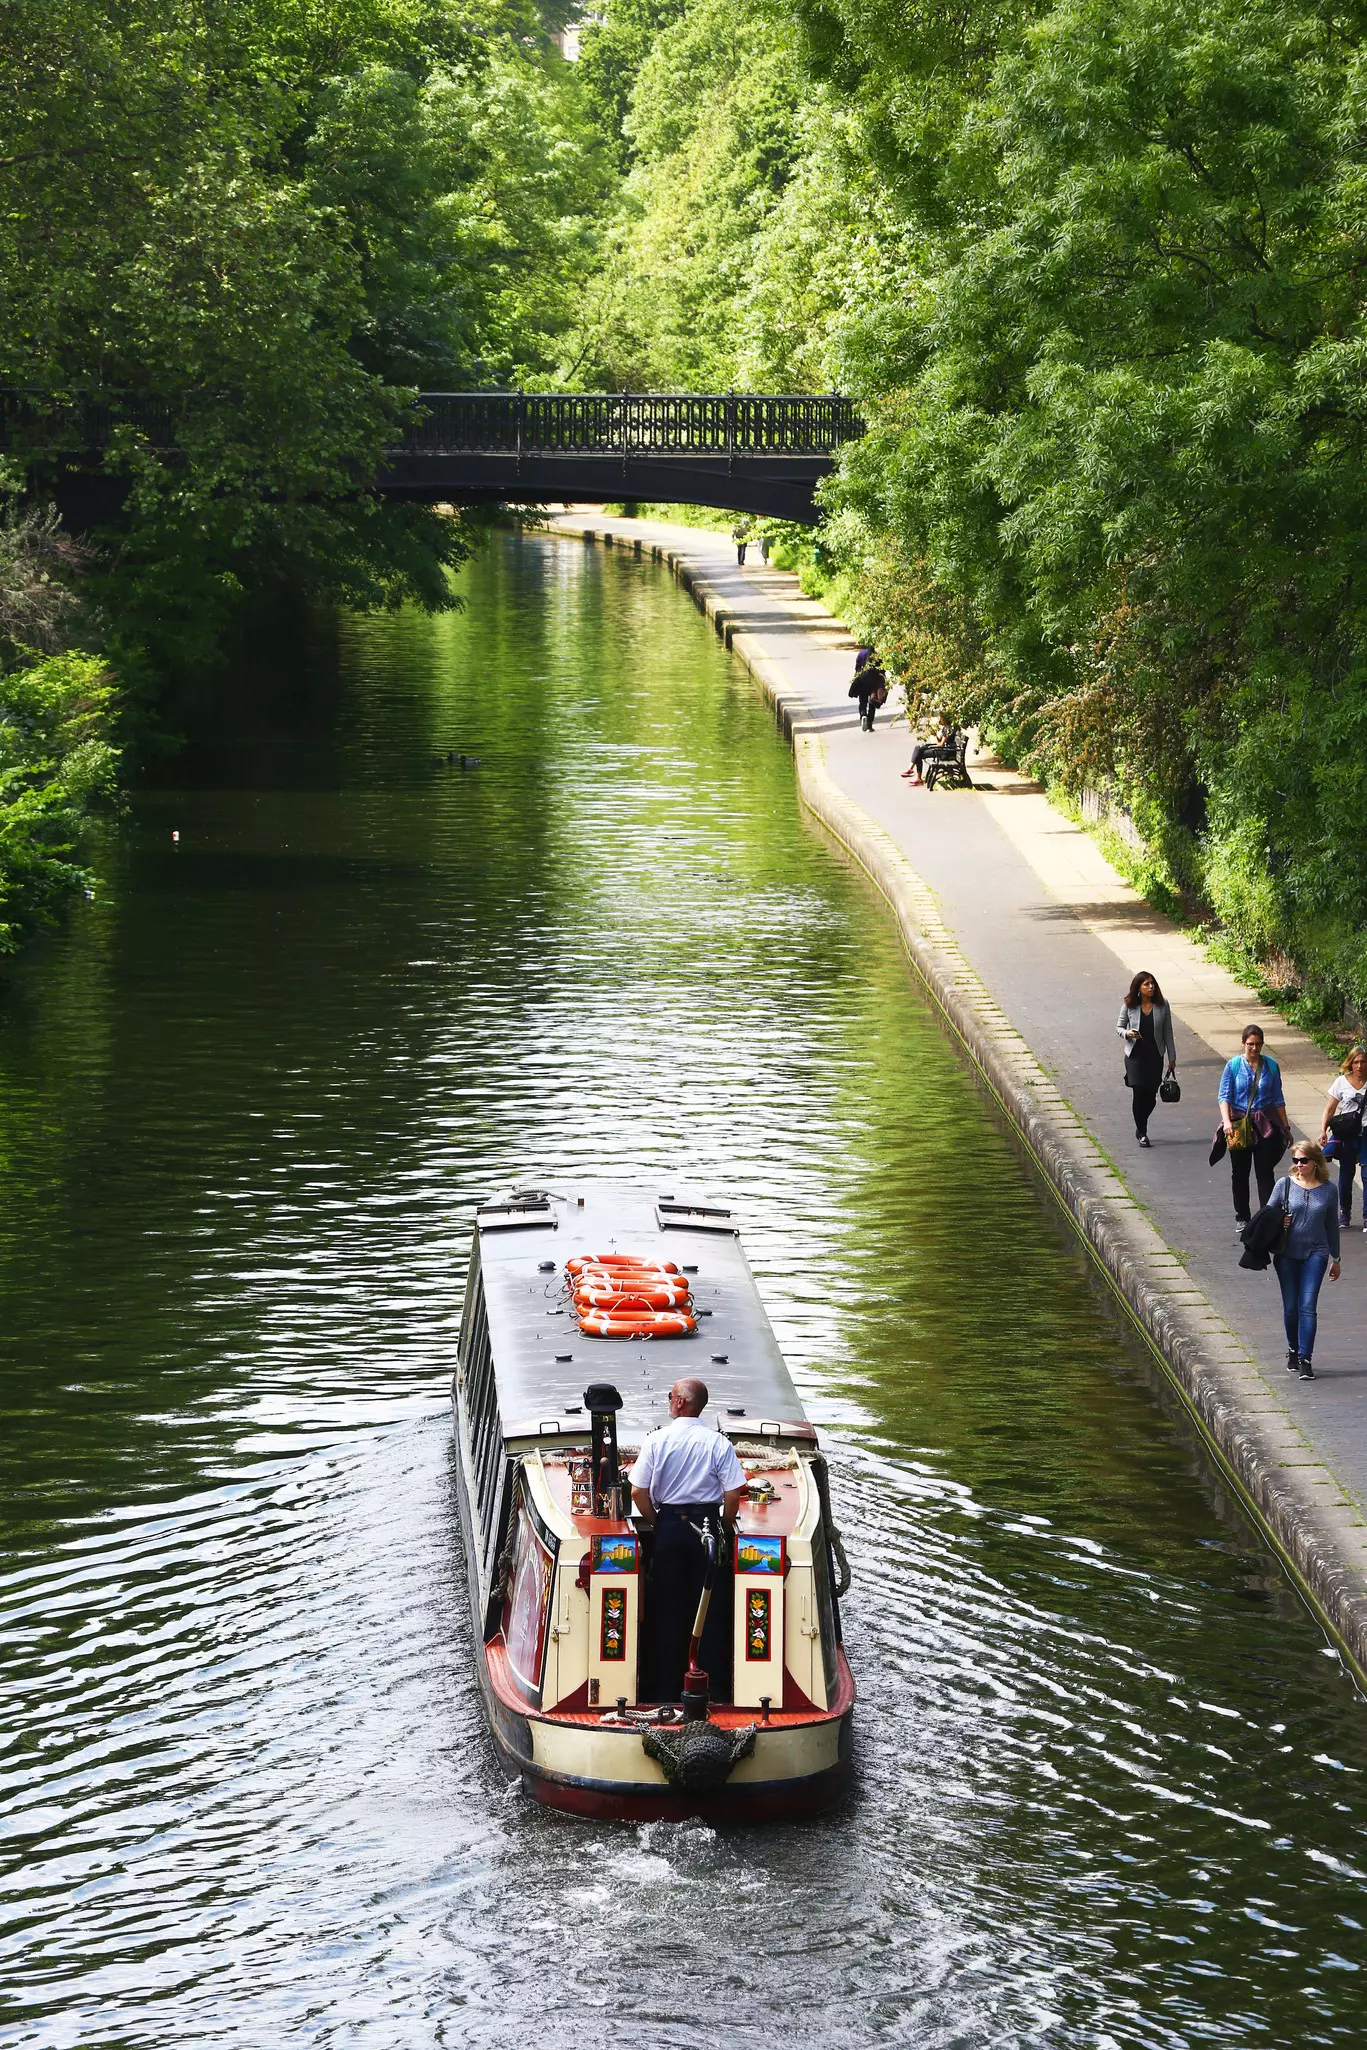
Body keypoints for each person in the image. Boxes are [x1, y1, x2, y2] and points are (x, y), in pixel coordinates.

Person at [630, 1378, 746, 1702]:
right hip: (706, 1528)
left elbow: (637, 1492)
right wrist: (721, 1526)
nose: (668, 1400)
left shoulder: (657, 1441)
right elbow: (733, 1494)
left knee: (666, 1609)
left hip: (669, 1528)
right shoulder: (718, 1443)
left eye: (670, 1396)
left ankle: (664, 1690)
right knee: (708, 1606)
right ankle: (713, 1689)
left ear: (680, 1402)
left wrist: (659, 1522)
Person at [1270, 1141, 1340, 1380]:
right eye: (1296, 1160)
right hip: (1287, 1254)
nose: (1299, 1165)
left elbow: (1332, 1226)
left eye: (1304, 1160)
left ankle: (1305, 1358)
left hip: (1316, 1253)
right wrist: (1281, 1220)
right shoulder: (1284, 1185)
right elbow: (1267, 1216)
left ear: (1315, 1162)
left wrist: (1336, 1258)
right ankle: (1292, 1349)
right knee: (1291, 1307)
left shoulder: (1329, 1190)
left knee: (1307, 1306)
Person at [1218, 1024, 1291, 1225]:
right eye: (1250, 1044)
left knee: (1265, 1172)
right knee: (1240, 1173)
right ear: (1243, 1044)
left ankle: (1266, 1216)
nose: (1254, 1048)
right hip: (1239, 1125)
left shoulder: (1271, 1066)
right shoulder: (1233, 1066)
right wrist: (1226, 1122)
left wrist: (1285, 1127)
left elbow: (1278, 1098)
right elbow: (1224, 1096)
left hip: (1264, 1124)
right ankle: (1242, 1217)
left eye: (1258, 1044)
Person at [1116, 970, 1177, 1147]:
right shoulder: (1129, 1005)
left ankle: (1141, 1122)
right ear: (1138, 988)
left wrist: (1171, 1057)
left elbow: (1168, 1032)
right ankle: (1142, 1132)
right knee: (1138, 1091)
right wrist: (1127, 1033)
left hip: (1154, 1056)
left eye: (1153, 984)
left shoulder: (1162, 1005)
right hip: (1135, 1057)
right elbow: (1119, 1027)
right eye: (1147, 984)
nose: (1151, 987)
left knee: (1150, 1096)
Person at [1319, 1046, 1367, 1228]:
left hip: (1366, 1133)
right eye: (1356, 1062)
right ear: (1350, 1063)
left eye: (1363, 1061)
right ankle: (1344, 1213)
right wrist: (1323, 1130)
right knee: (1346, 1174)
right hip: (1347, 1133)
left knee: (1366, 1175)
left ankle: (1366, 1215)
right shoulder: (1341, 1082)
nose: (1360, 1065)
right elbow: (1330, 1108)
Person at [902, 717, 953, 784]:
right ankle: (910, 770)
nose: (939, 719)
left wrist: (930, 746)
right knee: (918, 748)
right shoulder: (945, 728)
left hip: (945, 753)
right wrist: (935, 735)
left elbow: (941, 745)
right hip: (943, 750)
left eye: (940, 718)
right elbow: (940, 741)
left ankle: (915, 775)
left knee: (919, 753)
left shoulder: (948, 729)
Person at [849, 648, 888, 731]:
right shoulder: (879, 654)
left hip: (862, 680)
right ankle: (869, 725)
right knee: (872, 704)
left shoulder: (861, 653)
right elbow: (882, 670)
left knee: (862, 702)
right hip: (874, 682)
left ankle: (863, 715)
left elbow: (857, 668)